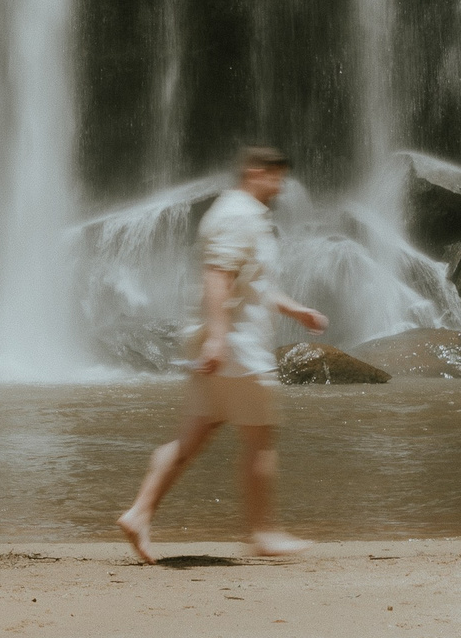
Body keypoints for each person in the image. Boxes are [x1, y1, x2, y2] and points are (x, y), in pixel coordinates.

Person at [117, 144, 328, 563]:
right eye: (276, 176)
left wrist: (296, 311)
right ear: (255, 172)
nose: (281, 186)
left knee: (190, 439)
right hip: (238, 350)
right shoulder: (238, 216)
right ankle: (263, 533)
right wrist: (218, 338)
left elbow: (254, 284)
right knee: (261, 438)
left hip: (222, 350)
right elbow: (218, 276)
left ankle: (139, 513)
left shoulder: (242, 215)